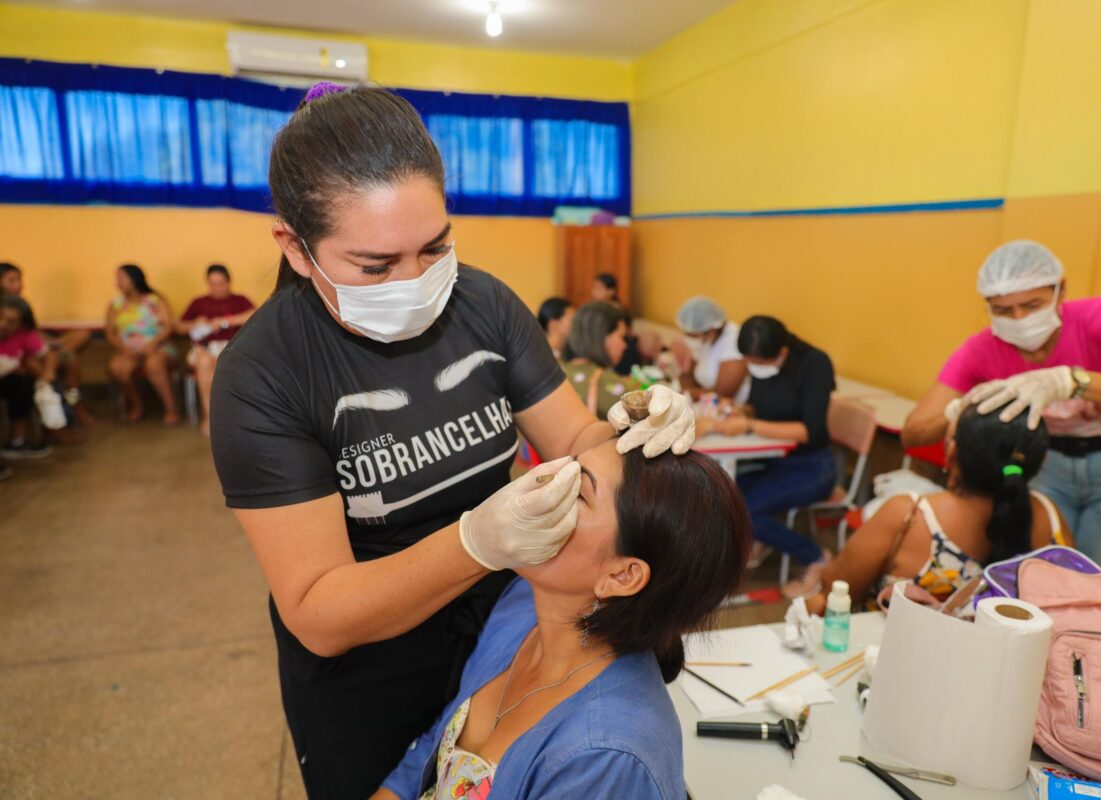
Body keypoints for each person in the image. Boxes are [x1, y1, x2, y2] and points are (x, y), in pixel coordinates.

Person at [208, 83, 695, 800]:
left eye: (435, 246)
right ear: (295, 245)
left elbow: (576, 437)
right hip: (370, 668)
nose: (415, 281)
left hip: (504, 627)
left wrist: (633, 422)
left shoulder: (485, 304)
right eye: (375, 267)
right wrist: (475, 543)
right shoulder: (264, 376)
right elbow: (318, 611)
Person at [374, 440, 750, 799]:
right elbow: (433, 755)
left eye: (580, 492)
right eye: (566, 466)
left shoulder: (606, 756)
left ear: (621, 576)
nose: (545, 486)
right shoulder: (522, 607)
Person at [901, 241, 1101, 569]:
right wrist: (958, 408)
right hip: (1050, 466)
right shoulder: (982, 349)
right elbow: (913, 432)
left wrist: (1071, 382)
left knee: (1098, 577)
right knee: (1041, 573)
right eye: (1002, 310)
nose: (1018, 318)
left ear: (1061, 291)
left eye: (1032, 304)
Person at [807, 403, 1073, 614]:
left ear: (951, 451)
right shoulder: (1051, 518)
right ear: (1040, 461)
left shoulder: (909, 515)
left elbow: (837, 590)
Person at [697, 316, 836, 597]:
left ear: (782, 352)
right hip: (772, 459)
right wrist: (738, 411)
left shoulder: (814, 364)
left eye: (758, 363)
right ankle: (759, 538)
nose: (754, 368)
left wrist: (748, 425)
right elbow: (758, 407)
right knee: (722, 493)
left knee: (744, 510)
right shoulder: (764, 367)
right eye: (750, 362)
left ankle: (817, 557)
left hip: (813, 466)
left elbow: (809, 431)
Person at [1, 262, 96, 426]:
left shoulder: (20, 306)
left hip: (33, 351)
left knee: (79, 339)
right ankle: (66, 414)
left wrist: (51, 346)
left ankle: (70, 403)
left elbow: (31, 334)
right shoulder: (7, 310)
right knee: (47, 367)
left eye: (19, 279)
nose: (19, 285)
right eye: (12, 280)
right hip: (18, 363)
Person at [176, 264, 256, 436]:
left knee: (226, 361)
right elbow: (179, 327)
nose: (217, 287)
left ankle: (231, 417)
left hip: (233, 347)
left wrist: (224, 321)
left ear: (228, 282)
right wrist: (196, 323)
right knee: (204, 361)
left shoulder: (240, 300)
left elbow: (256, 314)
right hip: (205, 349)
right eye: (212, 283)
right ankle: (211, 417)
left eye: (220, 283)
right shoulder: (199, 303)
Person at [105, 264, 180, 425]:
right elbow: (110, 332)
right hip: (128, 349)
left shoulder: (155, 300)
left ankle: (171, 409)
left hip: (157, 346)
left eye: (121, 278)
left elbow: (168, 327)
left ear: (134, 279)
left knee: (154, 364)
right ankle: (137, 404)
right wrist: (122, 348)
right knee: (117, 368)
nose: (117, 282)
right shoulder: (116, 304)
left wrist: (152, 344)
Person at [561, 302, 642, 420]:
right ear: (603, 337)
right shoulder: (614, 387)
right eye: (621, 337)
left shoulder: (557, 371)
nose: (624, 345)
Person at [0, 296, 54, 460]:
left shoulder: (24, 335)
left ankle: (17, 442)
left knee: (24, 384)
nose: (2, 324)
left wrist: (47, 373)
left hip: (6, 378)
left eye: (10, 322)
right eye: (0, 318)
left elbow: (47, 354)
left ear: (21, 325)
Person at [673, 296, 749, 404]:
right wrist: (688, 391)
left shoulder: (734, 344)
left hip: (727, 411)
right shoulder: (704, 341)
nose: (689, 339)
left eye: (692, 335)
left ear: (710, 329)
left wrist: (686, 392)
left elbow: (720, 396)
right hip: (701, 403)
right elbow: (687, 376)